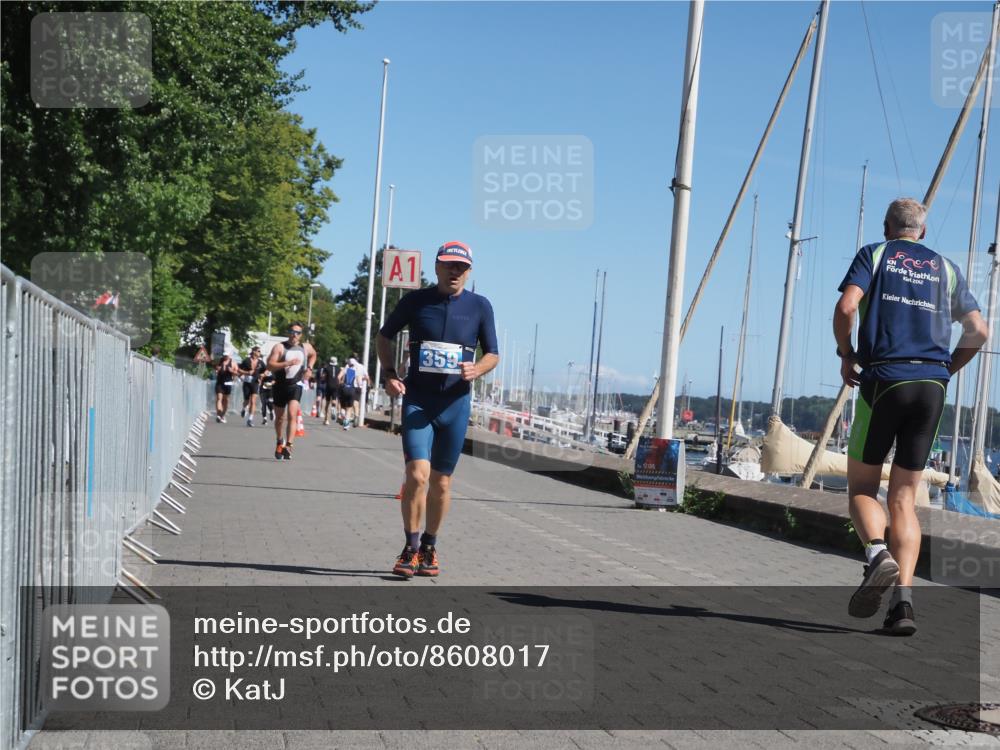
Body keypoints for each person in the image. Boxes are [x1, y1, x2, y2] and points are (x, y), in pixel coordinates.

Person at [834, 198, 987, 636]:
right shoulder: (946, 268)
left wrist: (847, 355)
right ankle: (903, 605)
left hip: (885, 379)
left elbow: (847, 309)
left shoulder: (875, 255)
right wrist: (946, 369)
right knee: (904, 497)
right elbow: (979, 331)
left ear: (888, 228)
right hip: (932, 386)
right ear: (921, 231)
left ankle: (877, 554)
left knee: (863, 487)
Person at [377, 240, 499, 578]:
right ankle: (410, 546)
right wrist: (389, 374)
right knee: (417, 476)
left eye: (461, 267)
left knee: (442, 484)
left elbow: (492, 353)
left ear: (469, 270)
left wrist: (478, 369)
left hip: (455, 404)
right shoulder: (416, 301)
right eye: (448, 265)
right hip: (419, 400)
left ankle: (430, 545)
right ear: (437, 267)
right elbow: (384, 336)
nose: (454, 271)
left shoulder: (480, 306)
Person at [265, 323, 317, 460]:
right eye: (292, 332)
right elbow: (270, 365)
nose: (294, 335)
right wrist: (286, 364)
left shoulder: (305, 347)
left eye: (298, 332)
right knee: (280, 418)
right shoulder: (280, 347)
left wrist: (310, 369)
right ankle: (279, 440)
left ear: (301, 335)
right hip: (280, 385)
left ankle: (289, 445)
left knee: (292, 414)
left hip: (295, 385)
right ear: (288, 332)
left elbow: (314, 355)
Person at [337, 357, 368, 429]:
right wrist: (360, 386)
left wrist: (340, 384)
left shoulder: (345, 369)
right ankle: (346, 424)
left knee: (343, 406)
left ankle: (342, 414)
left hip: (344, 389)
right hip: (352, 389)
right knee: (349, 407)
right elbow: (359, 382)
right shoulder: (356, 371)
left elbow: (338, 377)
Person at [238, 346, 265, 427]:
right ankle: (244, 409)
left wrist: (262, 376)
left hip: (255, 382)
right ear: (253, 351)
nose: (259, 353)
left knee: (253, 401)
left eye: (260, 351)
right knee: (246, 401)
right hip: (246, 382)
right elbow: (239, 370)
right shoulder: (246, 360)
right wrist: (247, 373)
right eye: (258, 351)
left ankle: (250, 419)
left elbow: (266, 371)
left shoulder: (261, 362)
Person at [213, 354, 239, 423]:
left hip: (228, 383)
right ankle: (219, 414)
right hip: (219, 383)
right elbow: (215, 369)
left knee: (226, 400)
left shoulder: (233, 363)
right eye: (225, 355)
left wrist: (232, 371)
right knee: (219, 398)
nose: (226, 356)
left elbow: (237, 373)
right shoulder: (219, 362)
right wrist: (217, 369)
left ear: (230, 356)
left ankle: (222, 415)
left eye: (227, 355)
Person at [322, 357, 341, 425]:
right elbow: (340, 377)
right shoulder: (338, 368)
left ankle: (326, 419)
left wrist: (324, 380)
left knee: (327, 402)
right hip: (335, 386)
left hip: (328, 385)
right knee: (334, 400)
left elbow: (323, 376)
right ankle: (333, 408)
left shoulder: (326, 368)